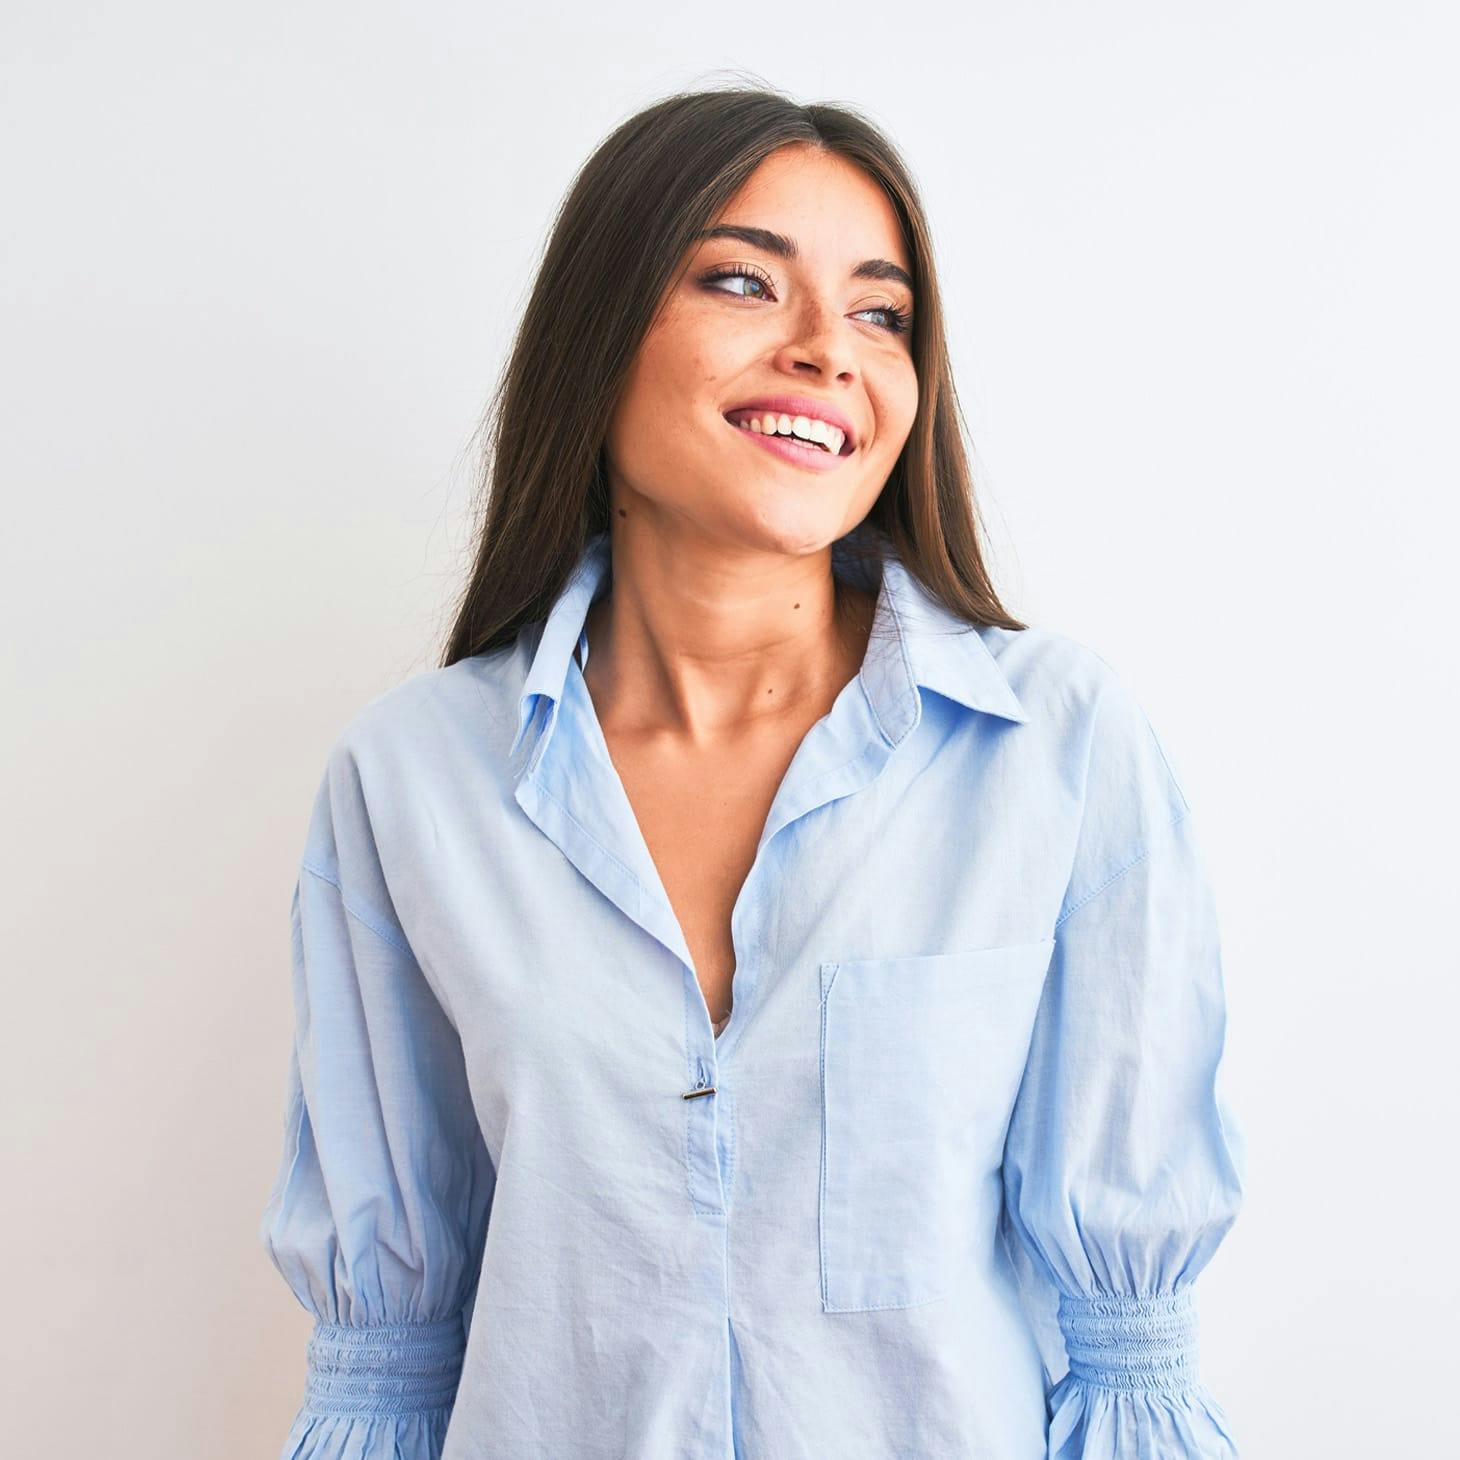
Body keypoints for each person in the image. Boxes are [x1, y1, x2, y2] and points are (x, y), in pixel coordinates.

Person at [259, 84, 1247, 1459]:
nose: (828, 350)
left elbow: (1127, 1358)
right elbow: (388, 1372)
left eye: (881, 313)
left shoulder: (1059, 751)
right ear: (599, 336)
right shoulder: (411, 779)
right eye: (742, 281)